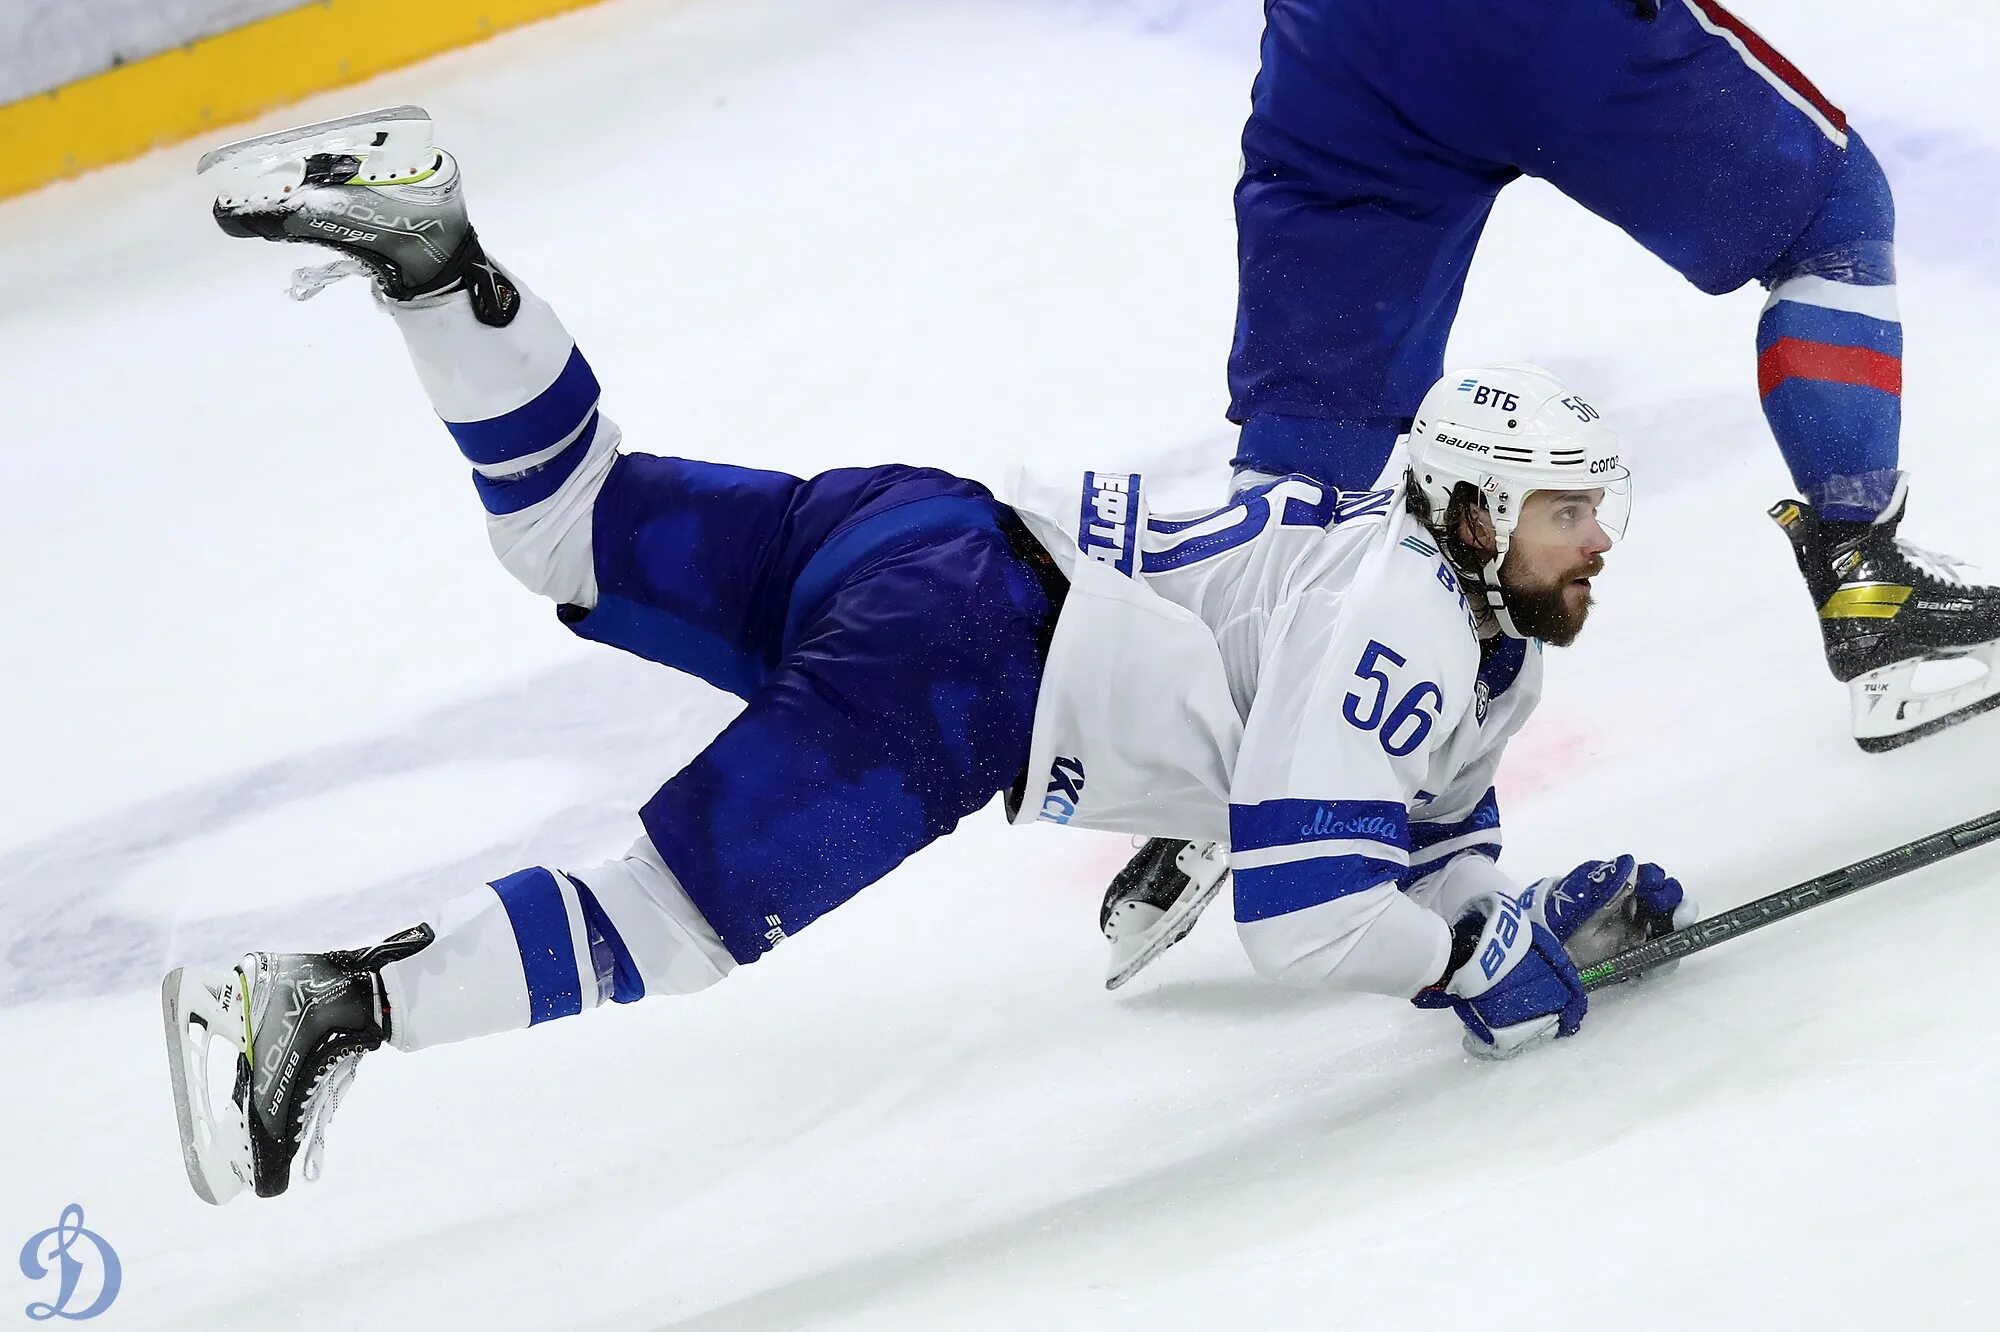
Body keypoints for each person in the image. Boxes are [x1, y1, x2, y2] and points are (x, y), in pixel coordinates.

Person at [161, 108, 1692, 1206]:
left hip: (926, 534)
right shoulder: (1412, 622)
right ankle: (316, 1006)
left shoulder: (1476, 630)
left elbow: (1414, 835)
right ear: (1478, 512)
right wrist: (1461, 965)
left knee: (572, 523)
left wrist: (1510, 910)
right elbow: (1301, 914)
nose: (1597, 537)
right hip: (967, 664)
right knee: (671, 922)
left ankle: (436, 260)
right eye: (1565, 510)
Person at [1097, 0, 2000, 987]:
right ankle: (1866, 577)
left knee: (1315, 414)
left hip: (1341, 41)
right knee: (1830, 216)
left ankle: (1233, 740)